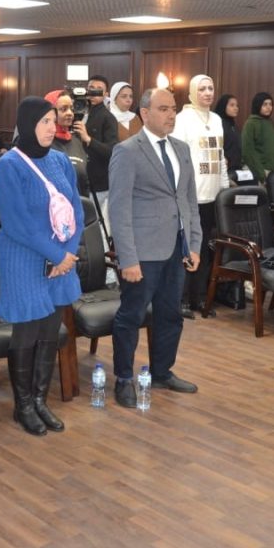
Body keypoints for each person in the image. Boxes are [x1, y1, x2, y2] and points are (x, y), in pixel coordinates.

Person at [0, 97, 84, 435]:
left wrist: (68, 254)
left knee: (49, 331)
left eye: (52, 121)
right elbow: (17, 224)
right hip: (24, 260)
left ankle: (41, 400)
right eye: (44, 121)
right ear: (27, 123)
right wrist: (57, 256)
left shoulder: (60, 160)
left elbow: (76, 210)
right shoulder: (8, 166)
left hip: (61, 260)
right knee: (28, 332)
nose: (50, 127)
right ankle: (24, 405)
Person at [108, 88, 202, 408]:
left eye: (173, 108)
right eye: (163, 109)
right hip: (143, 252)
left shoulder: (181, 148)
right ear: (145, 114)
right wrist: (127, 258)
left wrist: (194, 244)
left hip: (176, 248)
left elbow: (189, 201)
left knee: (171, 314)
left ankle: (162, 372)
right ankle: (123, 378)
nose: (171, 114)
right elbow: (119, 210)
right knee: (131, 316)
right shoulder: (127, 151)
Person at [170, 74, 230, 318]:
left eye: (211, 88)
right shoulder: (182, 119)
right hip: (189, 196)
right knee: (187, 247)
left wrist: (224, 187)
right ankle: (182, 298)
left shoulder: (216, 119)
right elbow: (177, 157)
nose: (207, 93)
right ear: (193, 92)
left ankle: (200, 297)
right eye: (202, 89)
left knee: (205, 248)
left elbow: (220, 155)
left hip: (212, 196)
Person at [76, 74, 119, 210]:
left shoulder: (108, 118)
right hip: (76, 179)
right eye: (91, 88)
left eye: (99, 89)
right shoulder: (76, 112)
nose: (94, 92)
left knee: (92, 219)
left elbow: (112, 151)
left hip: (97, 183)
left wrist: (88, 139)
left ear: (106, 94)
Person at [45, 90, 90, 195]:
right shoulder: (44, 144)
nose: (70, 113)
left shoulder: (76, 141)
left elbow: (84, 180)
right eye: (63, 109)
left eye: (71, 108)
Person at [241, 92, 274, 183]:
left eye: (270, 104)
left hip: (272, 173)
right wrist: (261, 173)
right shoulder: (251, 123)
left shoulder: (270, 123)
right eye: (265, 104)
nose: (268, 107)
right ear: (258, 105)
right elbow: (248, 151)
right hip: (259, 172)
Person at [213, 94, 243, 172]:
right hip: (224, 169)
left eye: (237, 105)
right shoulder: (217, 124)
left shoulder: (233, 125)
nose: (236, 108)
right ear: (223, 106)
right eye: (232, 105)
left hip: (236, 168)